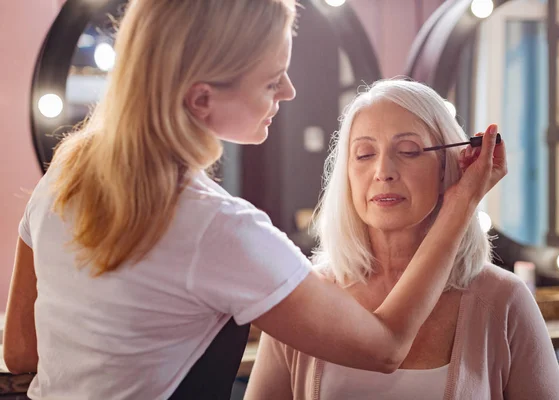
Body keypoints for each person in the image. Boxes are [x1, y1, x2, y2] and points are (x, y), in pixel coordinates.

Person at [3, 1, 507, 399]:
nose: (287, 91)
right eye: (271, 80)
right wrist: (463, 203)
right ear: (201, 99)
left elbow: (22, 350)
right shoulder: (218, 228)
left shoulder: (66, 173)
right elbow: (386, 347)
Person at [244, 79, 559, 400]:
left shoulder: (503, 299)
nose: (383, 171)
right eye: (364, 154)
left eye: (409, 151)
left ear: (447, 168)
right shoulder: (303, 298)